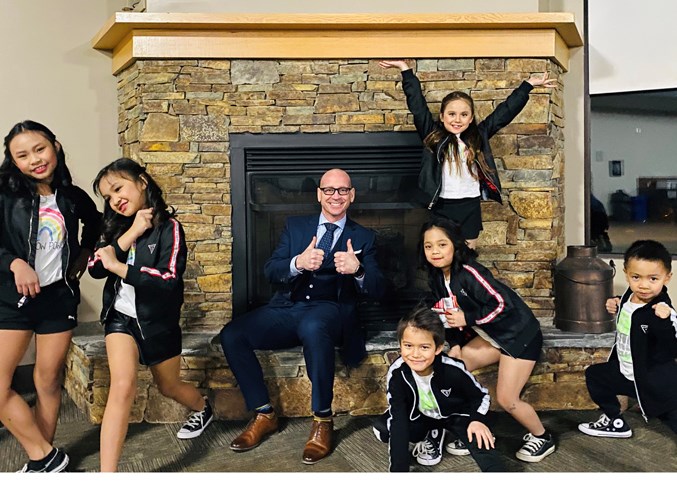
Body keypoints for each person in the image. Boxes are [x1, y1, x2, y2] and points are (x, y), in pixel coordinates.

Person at [219, 168, 385, 464]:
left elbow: (379, 289)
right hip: (286, 307)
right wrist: (298, 262)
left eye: (343, 190)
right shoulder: (295, 227)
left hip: (330, 311)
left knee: (313, 326)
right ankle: (264, 413)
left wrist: (357, 270)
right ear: (319, 194)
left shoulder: (364, 236)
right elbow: (271, 269)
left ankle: (322, 420)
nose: (336, 196)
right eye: (329, 190)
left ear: (352, 195)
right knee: (233, 334)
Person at [87, 158, 213, 472]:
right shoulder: (115, 227)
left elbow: (168, 280)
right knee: (122, 386)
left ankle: (203, 408)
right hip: (121, 318)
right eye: (107, 196)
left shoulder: (170, 228)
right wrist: (132, 232)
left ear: (142, 181)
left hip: (158, 321)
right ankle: (108, 475)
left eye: (118, 188)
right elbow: (95, 268)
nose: (115, 199)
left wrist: (122, 267)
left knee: (168, 386)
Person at [0, 120, 101, 472]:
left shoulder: (71, 196)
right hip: (13, 298)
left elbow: (97, 222)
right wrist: (15, 263)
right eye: (23, 155)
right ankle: (46, 454)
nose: (34, 160)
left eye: (39, 149)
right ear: (13, 162)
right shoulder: (5, 194)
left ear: (55, 146)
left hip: (58, 297)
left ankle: (40, 459)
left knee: (47, 379)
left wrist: (86, 252)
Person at [379, 59, 557, 249]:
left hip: (470, 206)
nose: (457, 119)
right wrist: (405, 70)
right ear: (442, 116)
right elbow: (417, 104)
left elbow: (504, 113)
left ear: (471, 118)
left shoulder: (478, 136)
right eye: (452, 114)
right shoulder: (432, 135)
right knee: (441, 258)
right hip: (441, 206)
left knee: (466, 257)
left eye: (464, 115)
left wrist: (527, 85)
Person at [419, 216, 555, 462]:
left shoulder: (471, 272)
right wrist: (457, 345)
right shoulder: (438, 277)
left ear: (456, 245)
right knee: (450, 371)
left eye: (442, 244)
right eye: (429, 246)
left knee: (506, 399)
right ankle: (470, 427)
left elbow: (502, 304)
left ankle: (542, 437)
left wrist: (467, 318)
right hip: (491, 336)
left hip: (518, 336)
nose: (435, 251)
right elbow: (448, 314)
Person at [373, 305, 505, 472]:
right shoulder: (397, 373)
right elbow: (398, 419)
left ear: (438, 348)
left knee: (479, 437)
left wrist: (477, 419)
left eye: (424, 347)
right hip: (421, 416)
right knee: (385, 429)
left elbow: (481, 396)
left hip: (454, 415)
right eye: (408, 346)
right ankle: (434, 432)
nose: (415, 354)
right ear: (400, 345)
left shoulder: (453, 369)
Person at [578, 239, 677, 438]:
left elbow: (671, 350)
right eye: (636, 277)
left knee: (671, 416)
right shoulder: (628, 297)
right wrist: (616, 302)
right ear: (626, 274)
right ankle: (615, 421)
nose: (643, 285)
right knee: (595, 376)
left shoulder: (662, 312)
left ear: (667, 278)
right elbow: (630, 314)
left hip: (656, 382)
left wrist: (664, 322)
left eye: (653, 279)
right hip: (627, 373)